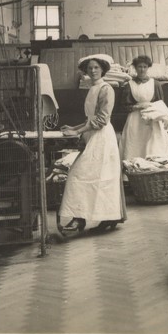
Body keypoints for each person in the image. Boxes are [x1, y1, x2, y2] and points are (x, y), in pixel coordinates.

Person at [54, 54, 126, 240]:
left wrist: (79, 131)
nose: (92, 71)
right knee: (93, 176)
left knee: (83, 175)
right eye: (89, 68)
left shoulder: (106, 88)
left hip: (102, 137)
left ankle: (88, 219)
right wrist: (75, 128)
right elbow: (90, 119)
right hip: (92, 135)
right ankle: (87, 217)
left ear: (102, 69)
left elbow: (102, 120)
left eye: (96, 68)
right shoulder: (92, 88)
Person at [120, 55, 168, 161]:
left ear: (148, 68)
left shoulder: (155, 84)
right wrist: (137, 106)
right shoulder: (129, 85)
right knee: (135, 145)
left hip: (152, 119)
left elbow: (161, 103)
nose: (142, 69)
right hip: (135, 120)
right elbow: (123, 106)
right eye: (139, 67)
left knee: (153, 145)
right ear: (135, 68)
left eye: (145, 67)